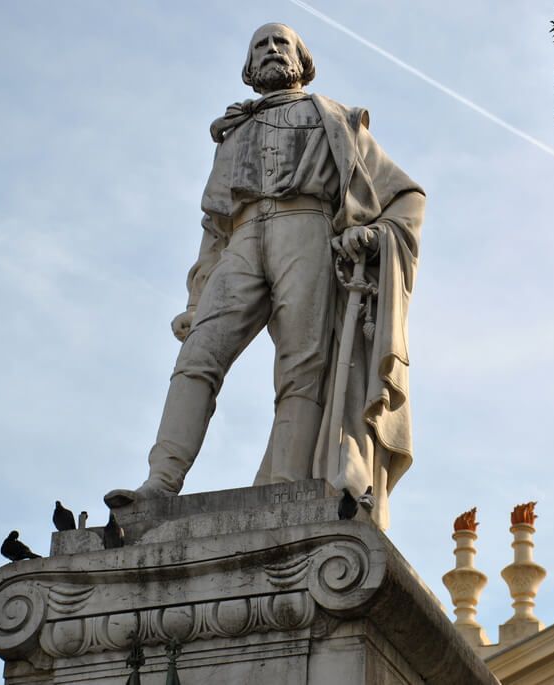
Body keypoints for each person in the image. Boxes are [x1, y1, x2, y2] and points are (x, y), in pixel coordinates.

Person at [104, 23, 425, 529]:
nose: (272, 50)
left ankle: (286, 491)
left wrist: (375, 233)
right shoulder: (233, 133)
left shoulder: (337, 120)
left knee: (302, 365)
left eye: (282, 43)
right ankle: (157, 486)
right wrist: (196, 299)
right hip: (244, 236)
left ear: (302, 59)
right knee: (198, 357)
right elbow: (214, 226)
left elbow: (407, 196)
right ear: (250, 69)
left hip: (307, 227)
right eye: (261, 45)